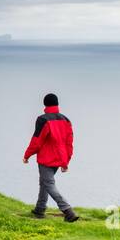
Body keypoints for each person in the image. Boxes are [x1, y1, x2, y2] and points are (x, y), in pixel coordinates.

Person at [23, 93, 78, 221]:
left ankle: (68, 211)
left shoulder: (43, 119)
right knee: (45, 182)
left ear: (45, 104)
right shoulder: (66, 120)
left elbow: (37, 141)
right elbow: (69, 143)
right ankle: (40, 209)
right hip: (60, 158)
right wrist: (66, 162)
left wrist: (27, 155)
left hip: (46, 158)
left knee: (48, 183)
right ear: (57, 104)